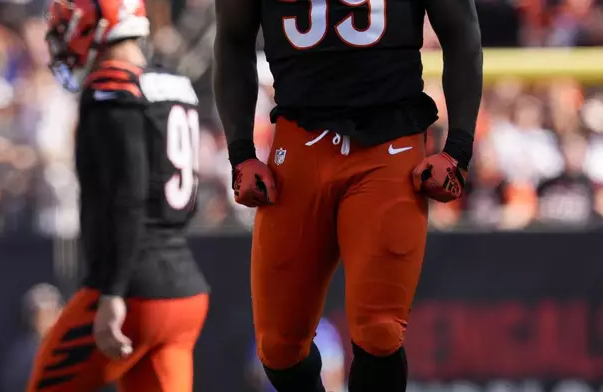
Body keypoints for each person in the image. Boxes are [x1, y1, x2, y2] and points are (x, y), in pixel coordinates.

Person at [213, 0, 483, 390]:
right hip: (300, 143)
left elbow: (461, 29)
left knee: (380, 331)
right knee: (278, 347)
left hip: (388, 141)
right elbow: (233, 37)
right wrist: (240, 152)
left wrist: (458, 148)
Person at [25, 0, 209, 390]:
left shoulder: (111, 91)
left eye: (69, 26)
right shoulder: (173, 85)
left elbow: (127, 198)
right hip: (184, 291)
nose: (62, 39)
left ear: (97, 24)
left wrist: (112, 293)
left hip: (131, 294)